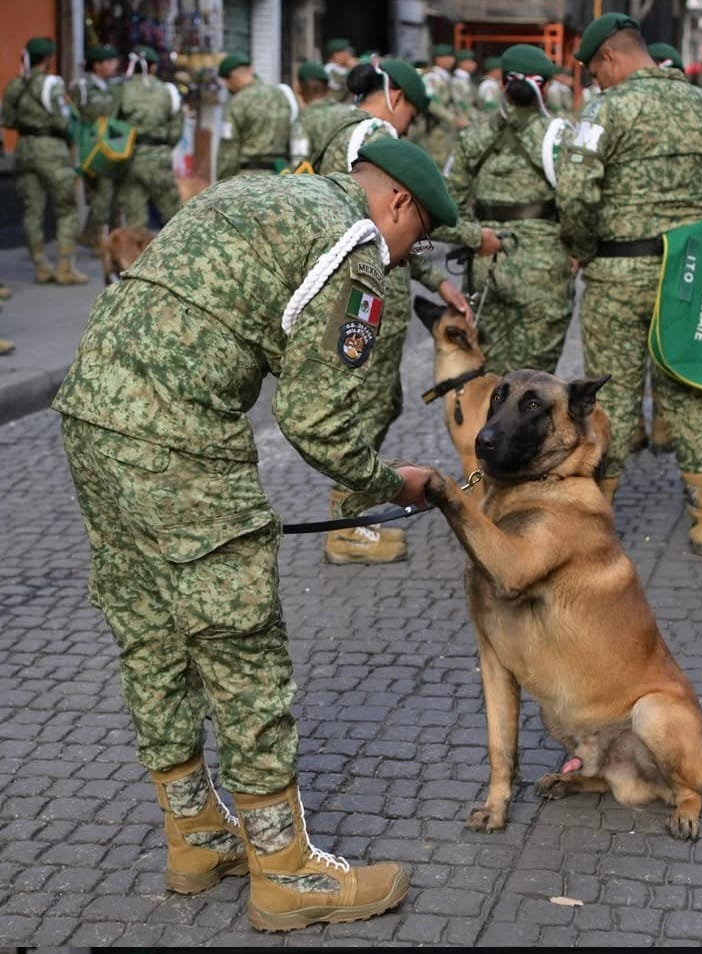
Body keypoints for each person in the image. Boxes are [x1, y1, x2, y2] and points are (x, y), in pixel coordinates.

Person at [54, 137, 454, 933]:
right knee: (243, 654)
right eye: (418, 239)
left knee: (155, 639)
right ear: (399, 205)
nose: (409, 256)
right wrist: (387, 486)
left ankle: (197, 837)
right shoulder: (358, 250)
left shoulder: (266, 192)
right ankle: (284, 871)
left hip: (90, 413)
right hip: (179, 442)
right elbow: (315, 421)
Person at [558, 13, 702, 556]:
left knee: (613, 396)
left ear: (610, 59)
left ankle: (598, 520)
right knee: (689, 389)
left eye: (595, 71)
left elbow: (576, 192)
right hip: (690, 275)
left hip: (617, 276)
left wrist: (580, 243)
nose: (595, 83)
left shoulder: (606, 108)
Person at [306, 58, 467, 565]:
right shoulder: (372, 133)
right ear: (394, 95)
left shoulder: (339, 129)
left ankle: (351, 516)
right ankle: (347, 526)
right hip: (371, 291)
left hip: (367, 282)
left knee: (379, 401)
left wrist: (434, 278)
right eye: (412, 114)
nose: (408, 129)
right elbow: (383, 221)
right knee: (368, 405)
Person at [437, 44, 573, 376]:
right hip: (543, 269)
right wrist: (579, 248)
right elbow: (579, 201)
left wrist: (472, 236)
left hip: (485, 263)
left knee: (491, 380)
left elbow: (443, 208)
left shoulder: (474, 135)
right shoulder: (558, 136)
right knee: (535, 383)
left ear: (502, 84)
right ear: (544, 87)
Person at [2, 37, 87, 284]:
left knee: (32, 210)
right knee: (66, 208)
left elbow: (7, 119)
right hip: (52, 151)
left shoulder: (16, 85)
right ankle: (64, 267)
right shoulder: (52, 85)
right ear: (49, 59)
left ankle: (40, 265)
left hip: (24, 149)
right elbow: (63, 121)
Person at [115, 46, 184, 230]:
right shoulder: (167, 91)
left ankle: (135, 257)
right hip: (158, 157)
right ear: (153, 67)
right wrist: (165, 146)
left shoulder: (120, 89)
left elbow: (109, 123)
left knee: (135, 220)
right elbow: (177, 127)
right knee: (174, 217)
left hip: (128, 158)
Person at [215, 54, 296, 180]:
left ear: (231, 79)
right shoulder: (281, 96)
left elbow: (229, 150)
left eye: (227, 83)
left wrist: (221, 182)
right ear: (251, 71)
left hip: (248, 179)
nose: (227, 87)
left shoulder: (237, 103)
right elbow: (294, 135)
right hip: (281, 175)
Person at [74, 45, 123, 252]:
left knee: (112, 194)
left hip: (113, 147)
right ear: (97, 65)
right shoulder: (82, 87)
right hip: (92, 148)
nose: (114, 65)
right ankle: (98, 240)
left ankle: (104, 236)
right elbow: (75, 118)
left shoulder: (115, 86)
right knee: (102, 192)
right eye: (109, 62)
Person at [416, 43, 466, 167]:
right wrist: (453, 118)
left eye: (452, 57)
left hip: (446, 129)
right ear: (438, 59)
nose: (452, 60)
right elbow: (431, 104)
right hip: (435, 129)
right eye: (447, 57)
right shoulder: (432, 78)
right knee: (437, 162)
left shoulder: (446, 77)